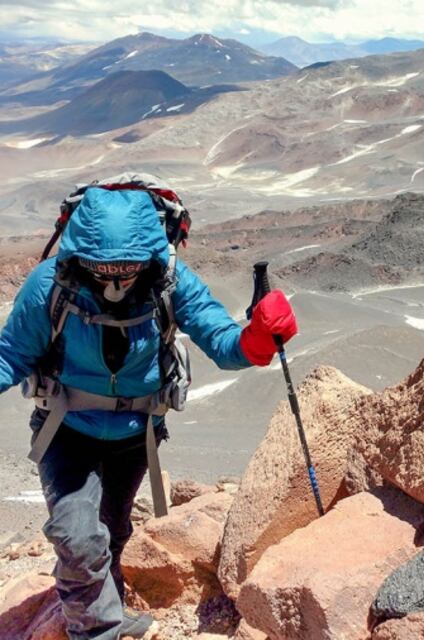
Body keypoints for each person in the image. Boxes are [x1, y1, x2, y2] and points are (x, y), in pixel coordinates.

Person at [0, 186, 297, 639]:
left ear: (151, 256)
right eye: (102, 268)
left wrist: (257, 340)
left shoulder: (170, 282)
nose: (115, 280)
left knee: (112, 530)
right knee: (77, 536)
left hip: (136, 435)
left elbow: (221, 340)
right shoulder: (51, 285)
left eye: (128, 268)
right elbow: (10, 356)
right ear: (80, 256)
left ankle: (108, 610)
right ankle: (96, 631)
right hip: (65, 430)